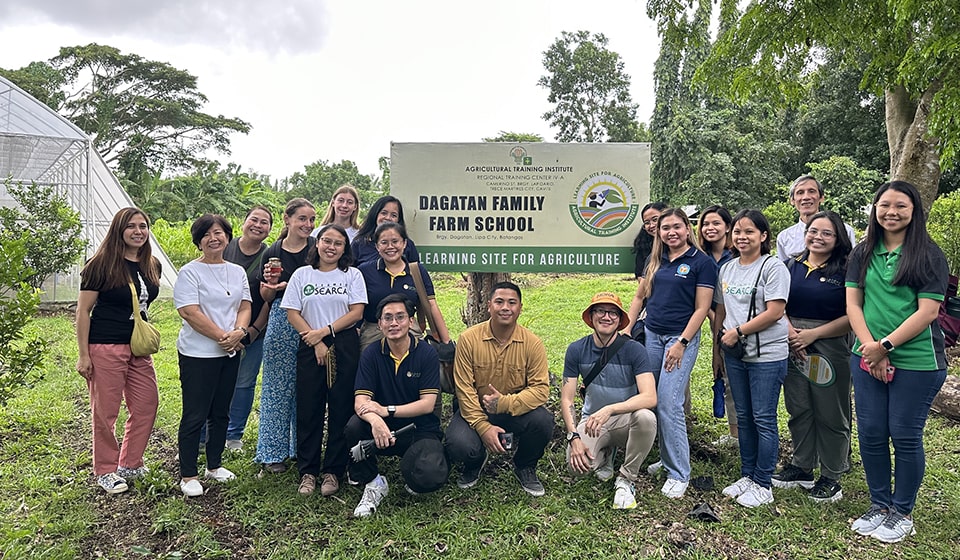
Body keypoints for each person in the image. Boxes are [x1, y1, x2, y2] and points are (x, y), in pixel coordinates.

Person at [845, 181, 949, 543]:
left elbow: (928, 311)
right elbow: (853, 305)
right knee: (872, 433)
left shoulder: (928, 254)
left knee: (904, 434)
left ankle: (902, 511)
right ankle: (879, 505)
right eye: (884, 205)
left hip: (917, 360)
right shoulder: (862, 253)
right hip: (867, 354)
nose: (891, 212)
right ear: (874, 209)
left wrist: (884, 346)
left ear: (914, 211)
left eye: (900, 206)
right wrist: (870, 346)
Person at [76, 207, 162, 494]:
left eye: (143, 225)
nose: (138, 231)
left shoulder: (152, 264)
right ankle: (106, 469)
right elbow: (83, 311)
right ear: (119, 230)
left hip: (138, 348)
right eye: (131, 226)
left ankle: (131, 462)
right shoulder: (99, 265)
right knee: (105, 411)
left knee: (147, 404)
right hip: (106, 345)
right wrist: (84, 355)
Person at [635, 208, 716, 499]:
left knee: (670, 403)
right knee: (654, 400)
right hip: (652, 337)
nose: (671, 232)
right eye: (665, 228)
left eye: (676, 227)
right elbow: (639, 297)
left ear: (687, 229)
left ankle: (679, 473)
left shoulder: (701, 262)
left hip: (679, 339)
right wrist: (627, 328)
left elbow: (702, 308)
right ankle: (665, 457)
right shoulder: (654, 260)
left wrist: (681, 342)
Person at [773, 211, 853, 503]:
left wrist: (813, 335)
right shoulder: (789, 265)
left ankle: (832, 475)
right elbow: (776, 304)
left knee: (831, 410)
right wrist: (793, 333)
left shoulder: (847, 270)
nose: (818, 237)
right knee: (799, 405)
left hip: (830, 344)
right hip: (791, 341)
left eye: (827, 233)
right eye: (813, 231)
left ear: (838, 239)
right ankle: (802, 465)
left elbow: (854, 314)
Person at [445, 281, 553, 497]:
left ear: (520, 308)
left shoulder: (533, 343)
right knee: (458, 445)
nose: (506, 307)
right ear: (488, 306)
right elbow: (464, 389)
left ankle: (524, 465)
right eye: (499, 302)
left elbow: (541, 389)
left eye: (512, 302)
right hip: (476, 409)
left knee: (543, 421)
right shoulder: (468, 339)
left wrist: (504, 403)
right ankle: (475, 461)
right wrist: (483, 428)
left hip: (514, 410)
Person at [281, 224, 366, 498]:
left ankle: (333, 470)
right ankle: (308, 471)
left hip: (343, 344)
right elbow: (293, 312)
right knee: (309, 406)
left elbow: (356, 313)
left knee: (341, 406)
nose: (331, 247)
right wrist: (316, 340)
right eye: (326, 241)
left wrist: (326, 333)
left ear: (345, 249)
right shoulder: (302, 274)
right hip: (309, 344)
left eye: (338, 243)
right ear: (316, 244)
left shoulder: (352, 275)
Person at [715, 209, 791, 508]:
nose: (742, 236)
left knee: (763, 418)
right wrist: (719, 341)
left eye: (749, 231)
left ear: (763, 236)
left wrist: (738, 331)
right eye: (737, 231)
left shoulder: (773, 268)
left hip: (767, 355)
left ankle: (763, 481)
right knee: (744, 417)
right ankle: (747, 475)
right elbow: (721, 309)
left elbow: (775, 312)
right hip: (735, 353)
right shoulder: (728, 269)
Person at [346, 294, 448, 517]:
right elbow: (360, 401)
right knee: (354, 428)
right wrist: (375, 419)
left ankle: (413, 469)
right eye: (388, 318)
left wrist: (385, 410)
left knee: (429, 476)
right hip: (381, 428)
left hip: (418, 428)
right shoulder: (372, 353)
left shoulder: (426, 353)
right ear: (380, 324)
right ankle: (374, 482)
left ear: (410, 321)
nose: (394, 323)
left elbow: (427, 405)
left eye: (400, 317)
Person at [173, 214, 252, 497]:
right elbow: (189, 312)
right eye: (206, 234)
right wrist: (223, 337)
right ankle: (188, 474)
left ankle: (214, 465)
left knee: (221, 412)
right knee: (195, 414)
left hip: (229, 353)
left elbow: (245, 304)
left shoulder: (237, 271)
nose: (213, 238)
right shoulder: (190, 272)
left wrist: (239, 331)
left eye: (219, 233)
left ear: (228, 237)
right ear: (198, 241)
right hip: (198, 353)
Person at [561, 292, 657, 510]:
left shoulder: (634, 350)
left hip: (626, 420)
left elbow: (650, 397)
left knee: (646, 418)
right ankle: (605, 454)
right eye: (601, 311)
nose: (607, 317)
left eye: (613, 312)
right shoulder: (577, 349)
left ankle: (626, 478)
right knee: (577, 468)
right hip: (593, 422)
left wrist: (611, 409)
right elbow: (567, 398)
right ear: (591, 316)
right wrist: (573, 436)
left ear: (620, 319)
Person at [199, 205, 273, 451]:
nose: (258, 225)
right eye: (254, 219)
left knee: (244, 382)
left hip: (251, 329)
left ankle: (233, 435)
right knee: (209, 381)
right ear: (244, 222)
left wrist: (252, 330)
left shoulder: (269, 255)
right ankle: (201, 435)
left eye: (265, 222)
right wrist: (220, 332)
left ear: (270, 229)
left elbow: (267, 299)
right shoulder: (224, 245)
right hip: (214, 329)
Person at [255, 198, 317, 474]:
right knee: (277, 385)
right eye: (302, 218)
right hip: (282, 318)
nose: (307, 224)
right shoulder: (273, 251)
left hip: (313, 317)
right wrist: (271, 285)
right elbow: (266, 296)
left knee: (306, 386)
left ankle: (298, 446)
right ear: (287, 219)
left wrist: (291, 284)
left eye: (311, 219)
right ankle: (272, 452)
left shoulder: (317, 249)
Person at [357, 221, 452, 353]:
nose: (390, 247)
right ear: (377, 246)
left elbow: (432, 305)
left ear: (404, 243)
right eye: (384, 242)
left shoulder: (417, 271)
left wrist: (446, 341)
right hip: (374, 333)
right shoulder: (364, 271)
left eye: (395, 241)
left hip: (409, 331)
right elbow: (356, 308)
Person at [699, 205, 738, 446]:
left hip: (739, 323)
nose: (710, 228)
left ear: (727, 227)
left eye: (716, 223)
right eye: (705, 224)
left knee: (737, 379)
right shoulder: (698, 257)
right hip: (714, 320)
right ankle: (734, 434)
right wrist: (714, 318)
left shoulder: (737, 255)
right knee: (722, 374)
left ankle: (742, 432)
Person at [776, 175, 856, 261]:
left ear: (821, 198)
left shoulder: (844, 230)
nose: (806, 197)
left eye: (811, 191)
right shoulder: (784, 238)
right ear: (792, 200)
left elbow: (852, 265)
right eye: (800, 192)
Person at [624, 202, 668, 335]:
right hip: (653, 309)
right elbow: (643, 290)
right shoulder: (645, 252)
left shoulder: (687, 252)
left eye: (655, 219)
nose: (651, 225)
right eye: (647, 222)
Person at [351, 196, 421, 267]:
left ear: (398, 220)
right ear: (375, 214)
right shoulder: (359, 243)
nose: (388, 218)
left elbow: (415, 272)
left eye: (393, 215)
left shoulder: (408, 245)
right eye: (384, 213)